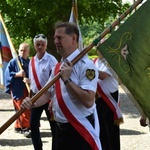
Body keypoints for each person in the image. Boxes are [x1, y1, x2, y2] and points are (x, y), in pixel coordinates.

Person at [21, 22, 102, 150]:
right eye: (54, 38)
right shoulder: (57, 68)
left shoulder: (87, 66)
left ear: (73, 38)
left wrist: (67, 80)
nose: (55, 41)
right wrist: (31, 102)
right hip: (60, 129)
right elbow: (47, 94)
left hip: (80, 130)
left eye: (60, 38)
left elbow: (88, 100)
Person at [29, 34, 58, 150]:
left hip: (50, 97)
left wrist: (54, 99)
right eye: (38, 44)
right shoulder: (32, 61)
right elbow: (32, 82)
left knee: (54, 127)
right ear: (34, 46)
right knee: (33, 125)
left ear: (46, 45)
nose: (40, 47)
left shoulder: (52, 60)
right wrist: (31, 97)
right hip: (37, 98)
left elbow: (56, 81)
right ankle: (38, 148)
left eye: (42, 44)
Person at [93, 50, 123, 150]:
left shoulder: (111, 61)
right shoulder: (95, 62)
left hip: (109, 98)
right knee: (101, 131)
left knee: (111, 131)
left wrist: (86, 69)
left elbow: (103, 76)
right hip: (98, 98)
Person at [5, 42, 31, 138]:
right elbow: (7, 75)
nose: (22, 52)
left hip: (27, 89)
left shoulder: (30, 62)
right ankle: (25, 128)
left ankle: (18, 126)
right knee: (22, 108)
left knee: (27, 107)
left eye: (25, 50)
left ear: (28, 51)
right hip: (17, 89)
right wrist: (17, 74)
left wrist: (29, 80)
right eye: (21, 50)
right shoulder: (13, 62)